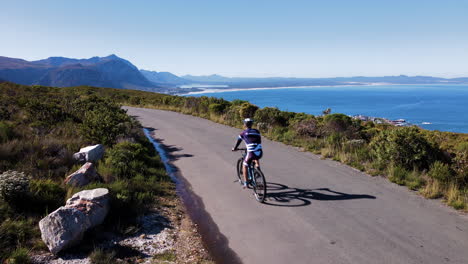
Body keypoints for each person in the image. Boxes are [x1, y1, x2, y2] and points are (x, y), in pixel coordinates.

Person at [232, 118, 263, 188]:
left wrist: (235, 148)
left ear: (245, 124)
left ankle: (246, 183)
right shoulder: (257, 131)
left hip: (251, 153)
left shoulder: (243, 133)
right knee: (255, 156)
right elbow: (257, 141)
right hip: (260, 152)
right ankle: (258, 169)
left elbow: (238, 141)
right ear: (251, 124)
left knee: (245, 165)